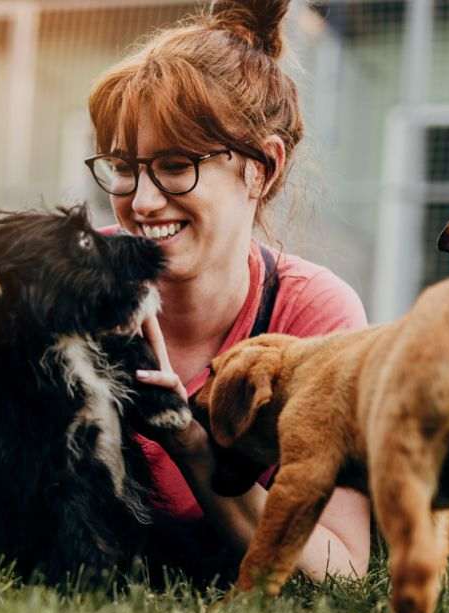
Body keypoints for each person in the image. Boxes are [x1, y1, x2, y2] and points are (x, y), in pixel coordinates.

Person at [84, 0, 372, 581]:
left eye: (175, 165)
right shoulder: (77, 280)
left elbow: (342, 567)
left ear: (261, 167)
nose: (140, 202)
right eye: (123, 167)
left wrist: (190, 441)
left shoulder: (312, 315)